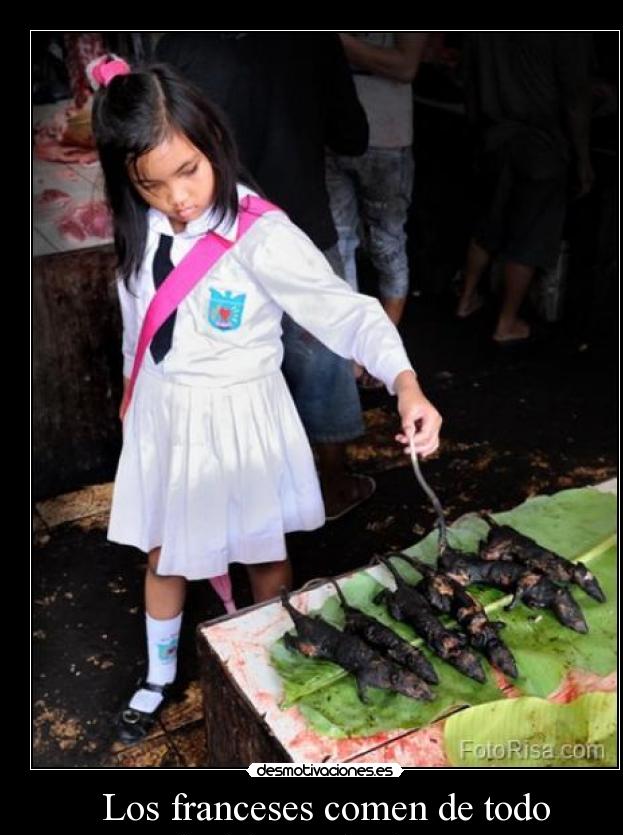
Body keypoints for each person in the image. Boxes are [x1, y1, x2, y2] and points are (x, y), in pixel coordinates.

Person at [90, 58, 443, 742]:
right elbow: (138, 323)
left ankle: (281, 661)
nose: (177, 198)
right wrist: (134, 403)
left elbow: (350, 313)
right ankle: (159, 677)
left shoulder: (263, 236)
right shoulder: (140, 223)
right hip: (167, 414)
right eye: (151, 184)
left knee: (263, 552)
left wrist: (406, 383)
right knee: (163, 555)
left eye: (188, 172)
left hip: (241, 414)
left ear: (214, 143)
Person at [155, 32, 374, 520]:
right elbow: (351, 135)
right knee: (322, 363)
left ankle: (244, 501)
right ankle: (332, 485)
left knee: (228, 366)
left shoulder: (178, 46)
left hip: (214, 241)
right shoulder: (311, 39)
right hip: (300, 226)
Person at [455, 32, 593, 344]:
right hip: (541, 144)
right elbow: (575, 98)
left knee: (489, 222)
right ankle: (506, 322)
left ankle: (466, 297)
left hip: (493, 137)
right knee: (529, 234)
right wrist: (583, 159)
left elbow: (469, 80)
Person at [326, 33, 428, 354]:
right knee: (340, 241)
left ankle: (383, 345)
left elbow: (406, 67)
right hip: (335, 133)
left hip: (386, 135)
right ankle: (353, 346)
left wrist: (337, 42)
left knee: (385, 242)